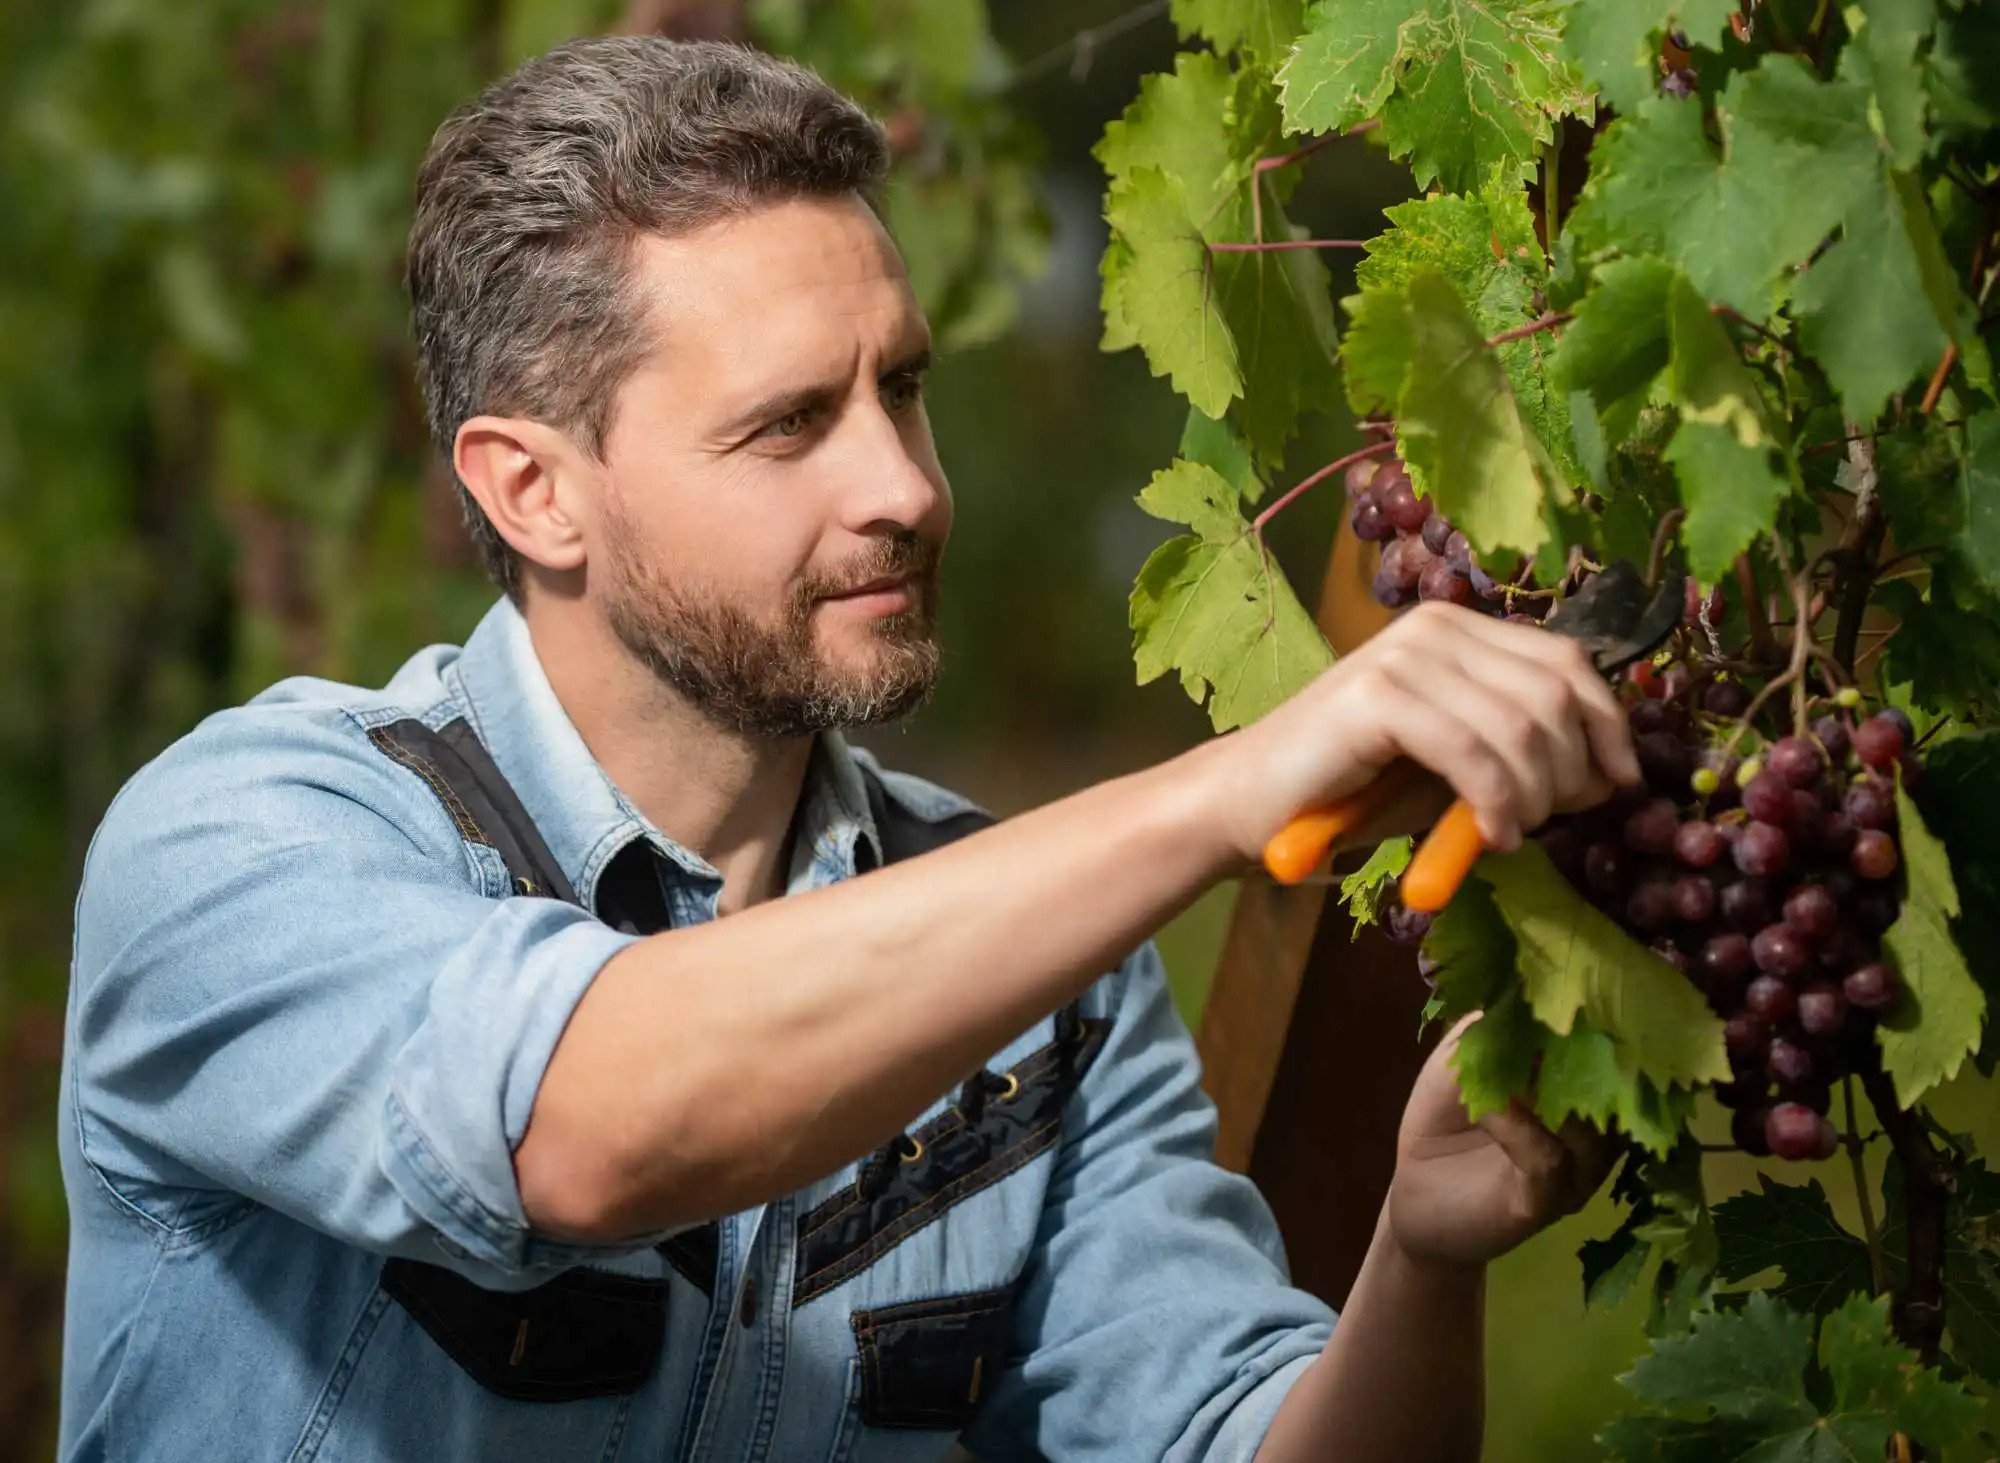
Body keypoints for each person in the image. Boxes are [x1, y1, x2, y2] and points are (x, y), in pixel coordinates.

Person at [57, 37, 1642, 1463]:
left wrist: (1420, 1261)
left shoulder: (1055, 989)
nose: (904, 486)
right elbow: (591, 1122)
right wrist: (1222, 795)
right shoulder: (247, 844)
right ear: (534, 490)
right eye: (789, 425)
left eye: (904, 391)